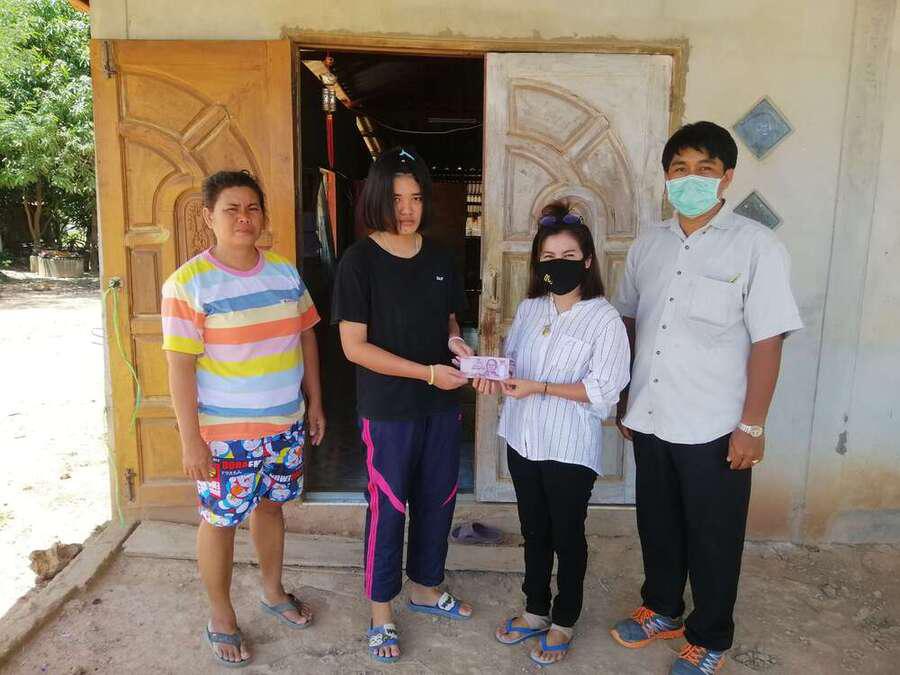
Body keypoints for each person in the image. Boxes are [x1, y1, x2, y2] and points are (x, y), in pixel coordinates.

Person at [609, 122, 803, 674]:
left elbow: (768, 341)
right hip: (651, 416)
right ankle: (662, 608)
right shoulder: (648, 245)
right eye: (680, 169)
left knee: (714, 538)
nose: (690, 179)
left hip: (715, 425)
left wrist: (753, 426)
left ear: (727, 178)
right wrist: (625, 398)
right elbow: (628, 322)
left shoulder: (757, 247)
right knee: (658, 525)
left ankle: (710, 635)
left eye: (704, 169)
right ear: (666, 178)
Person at [162, 170, 325, 667]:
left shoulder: (285, 274)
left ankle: (273, 592)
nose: (243, 218)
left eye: (252, 208)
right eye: (231, 209)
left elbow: (306, 337)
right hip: (225, 436)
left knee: (272, 509)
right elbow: (179, 367)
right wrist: (191, 440)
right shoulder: (188, 284)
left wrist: (316, 402)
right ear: (208, 217)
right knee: (220, 521)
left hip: (284, 426)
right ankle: (221, 615)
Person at [331, 147, 475, 664]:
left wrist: (455, 342)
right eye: (396, 199)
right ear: (376, 199)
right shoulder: (358, 261)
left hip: (440, 403)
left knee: (439, 498)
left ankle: (427, 588)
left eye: (415, 197)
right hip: (389, 407)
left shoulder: (439, 257)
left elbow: (450, 317)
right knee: (389, 505)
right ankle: (380, 612)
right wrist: (427, 373)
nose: (407, 209)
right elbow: (354, 347)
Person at [477, 202, 631, 667]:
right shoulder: (530, 309)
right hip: (523, 439)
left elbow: (605, 390)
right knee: (533, 529)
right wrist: (491, 373)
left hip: (568, 447)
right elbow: (515, 365)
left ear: (587, 261)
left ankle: (564, 618)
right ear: (537, 263)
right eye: (548, 257)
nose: (557, 265)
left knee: (567, 534)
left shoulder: (604, 319)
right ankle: (535, 609)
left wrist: (541, 387)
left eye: (568, 256)